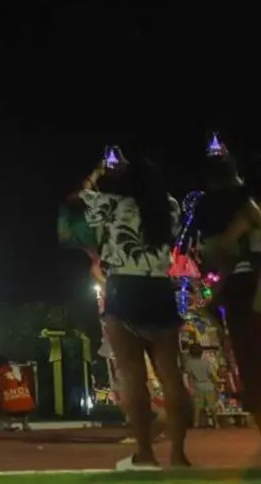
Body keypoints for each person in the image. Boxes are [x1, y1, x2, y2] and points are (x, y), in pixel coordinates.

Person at [75, 156, 189, 469]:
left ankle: (145, 455)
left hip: (124, 289)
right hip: (159, 289)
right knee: (172, 377)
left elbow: (83, 198)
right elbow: (173, 235)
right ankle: (178, 455)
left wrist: (100, 171)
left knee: (133, 377)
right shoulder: (169, 206)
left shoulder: (112, 204)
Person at [195, 148, 261, 436]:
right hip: (247, 282)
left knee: (249, 362)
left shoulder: (209, 211)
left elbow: (213, 254)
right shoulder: (244, 204)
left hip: (237, 288)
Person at [0, 355, 35, 431]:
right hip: (27, 406)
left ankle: (8, 424)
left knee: (1, 399)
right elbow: (26, 384)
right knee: (23, 396)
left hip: (10, 408)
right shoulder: (17, 370)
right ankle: (25, 424)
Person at [183, 344, 220, 428]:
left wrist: (188, 388)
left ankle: (195, 424)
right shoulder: (206, 362)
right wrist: (217, 384)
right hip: (209, 386)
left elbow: (185, 376)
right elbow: (212, 375)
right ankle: (216, 423)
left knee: (197, 407)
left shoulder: (189, 363)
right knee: (212, 406)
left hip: (197, 387)